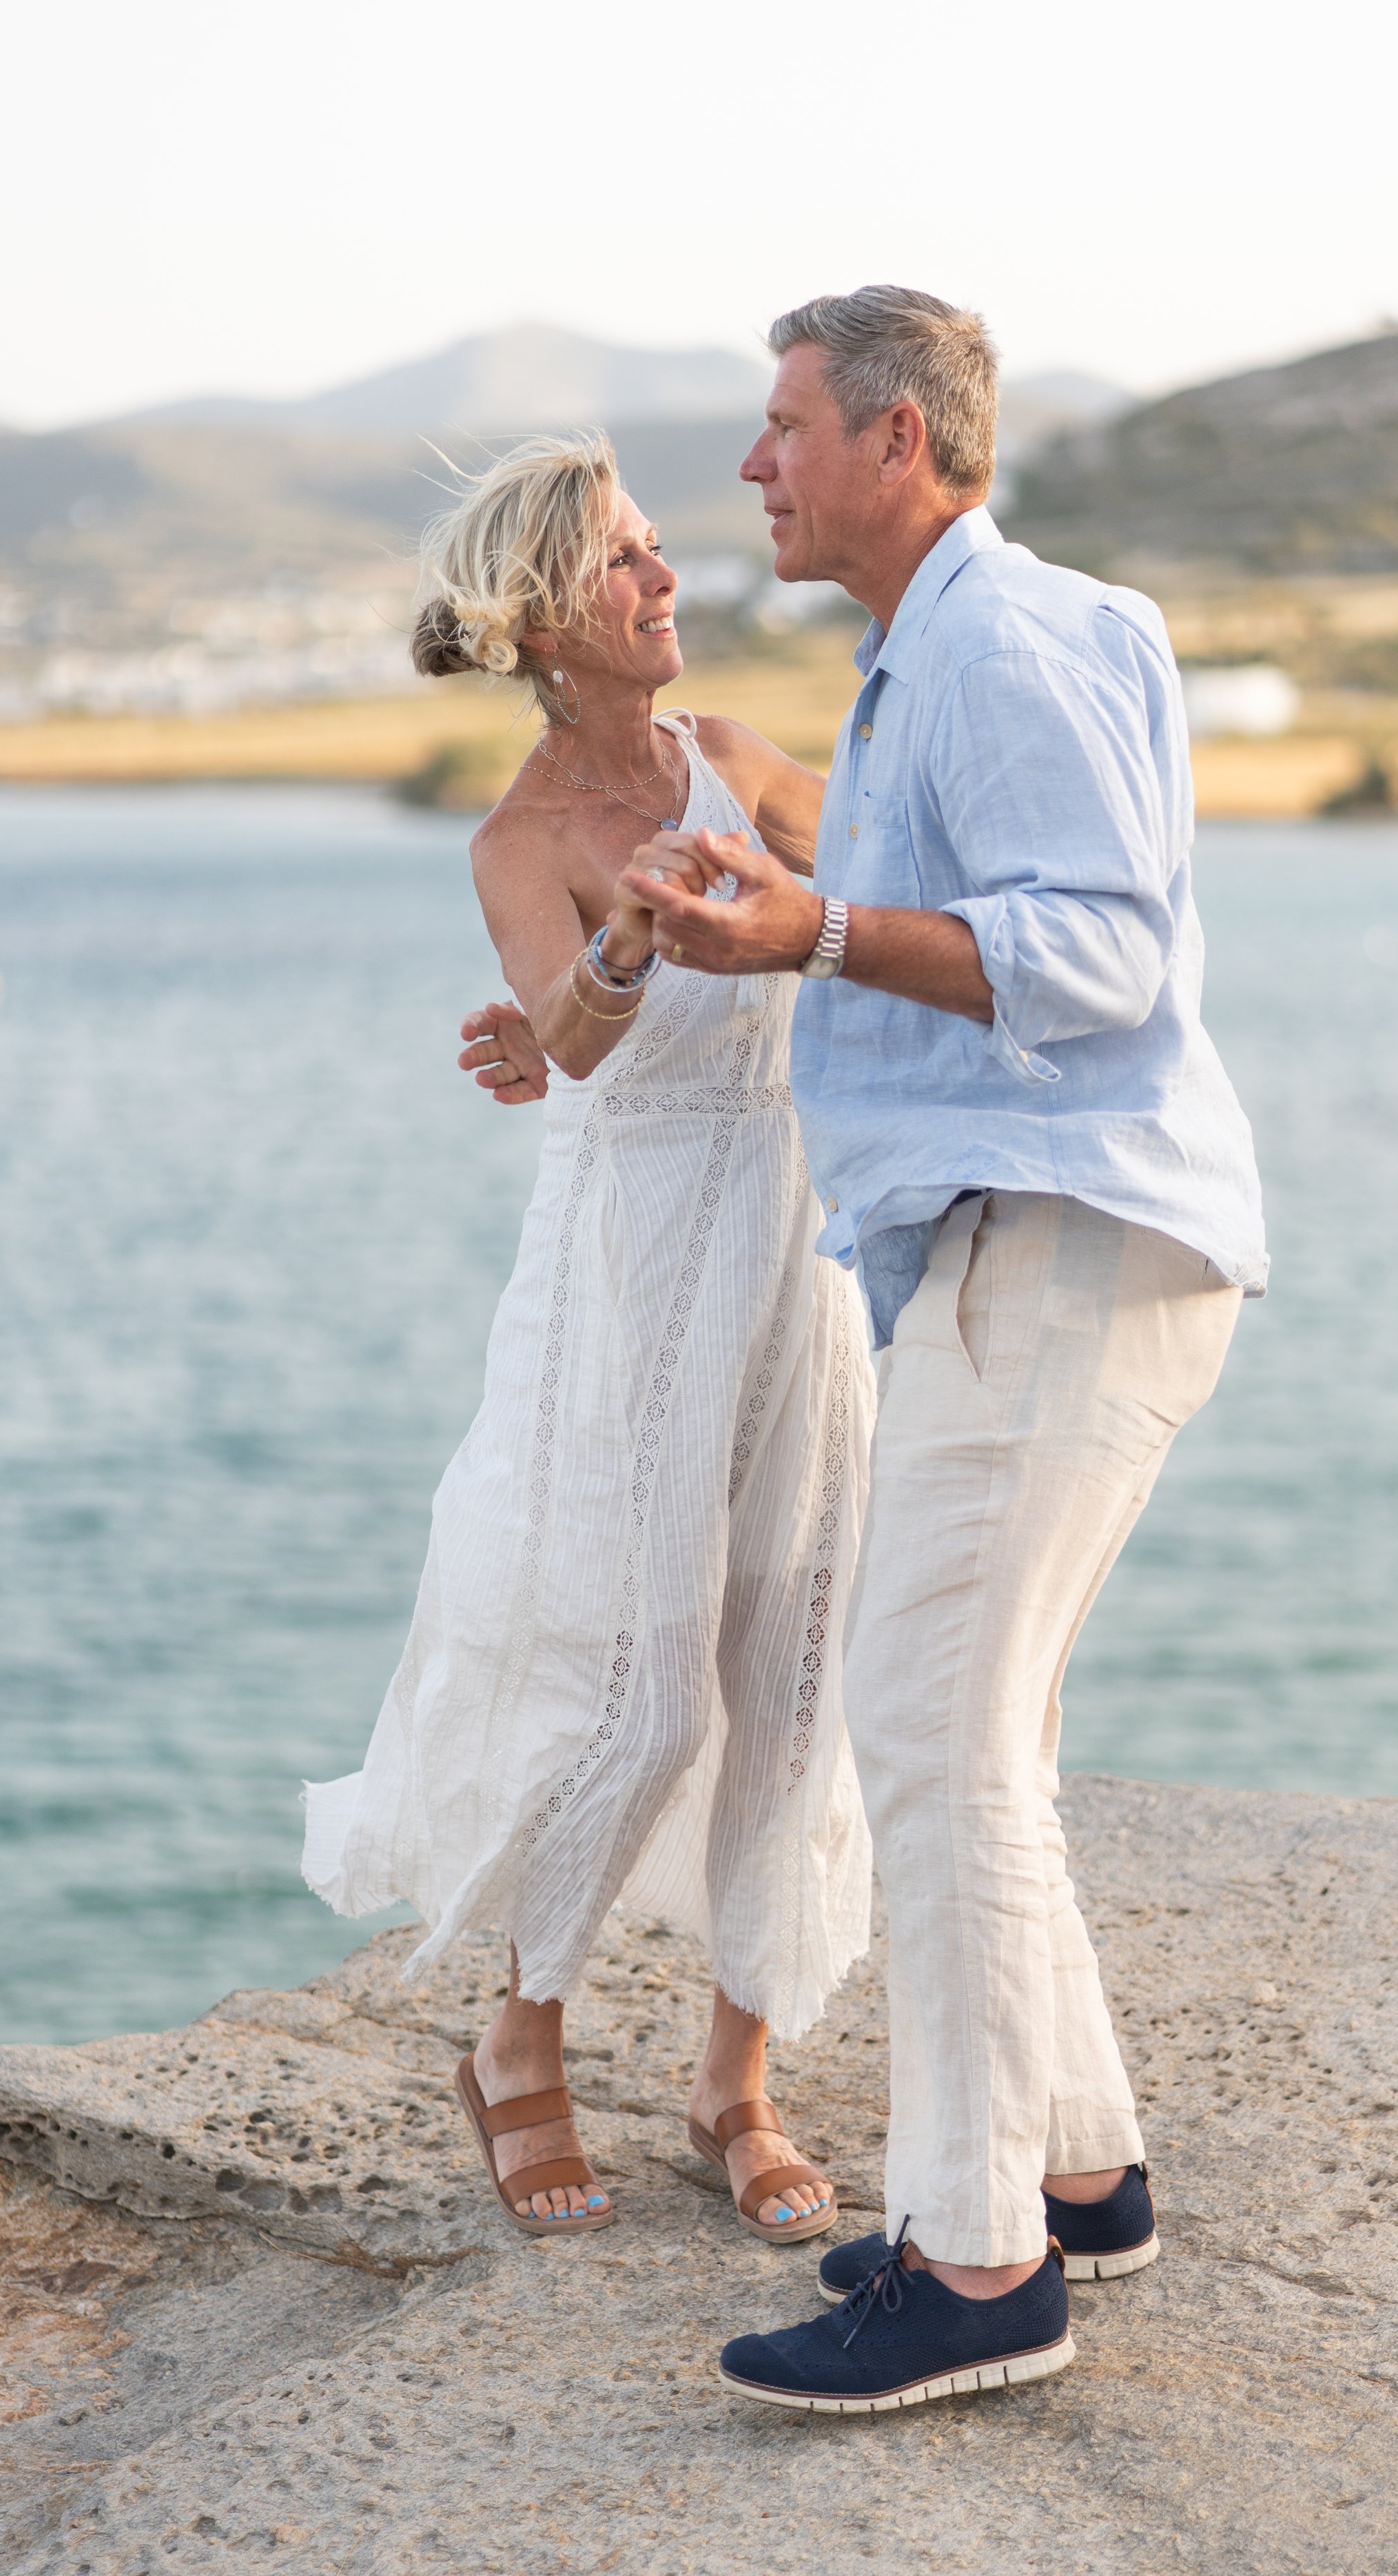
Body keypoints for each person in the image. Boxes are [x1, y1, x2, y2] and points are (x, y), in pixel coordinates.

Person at [613, 287, 1268, 2410]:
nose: (752, 464)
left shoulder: (993, 639)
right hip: (1042, 1242)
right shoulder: (948, 655)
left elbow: (1098, 950)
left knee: (926, 1719)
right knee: (967, 1718)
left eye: (784, 424)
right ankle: (1075, 2171)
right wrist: (792, 864)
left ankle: (978, 2261)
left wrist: (804, 929)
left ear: (896, 440)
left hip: (1060, 1240)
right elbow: (980, 904)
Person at [302, 433, 876, 2248]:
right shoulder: (523, 836)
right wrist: (614, 948)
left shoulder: (746, 763)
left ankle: (737, 2078)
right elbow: (579, 1031)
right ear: (552, 612)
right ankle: (517, 2036)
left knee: (793, 1663)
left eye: (657, 552)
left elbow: (883, 881)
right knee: (638, 1688)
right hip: (632, 1273)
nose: (668, 582)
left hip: (800, 1254)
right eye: (630, 561)